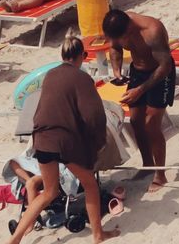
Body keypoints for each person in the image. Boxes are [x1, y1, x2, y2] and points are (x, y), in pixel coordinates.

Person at [8, 35, 109, 244]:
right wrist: (98, 141)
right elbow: (94, 116)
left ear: (62, 55)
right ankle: (98, 235)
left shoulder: (50, 75)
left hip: (41, 139)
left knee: (49, 192)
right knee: (90, 185)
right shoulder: (82, 78)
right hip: (63, 141)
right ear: (83, 55)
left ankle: (14, 239)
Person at [103, 6, 176, 188]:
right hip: (138, 72)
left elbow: (165, 65)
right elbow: (115, 49)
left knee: (151, 124)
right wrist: (117, 71)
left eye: (122, 38)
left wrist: (140, 90)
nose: (119, 41)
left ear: (129, 28)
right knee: (136, 121)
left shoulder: (152, 30)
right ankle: (147, 165)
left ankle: (160, 175)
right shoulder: (117, 28)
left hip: (161, 73)